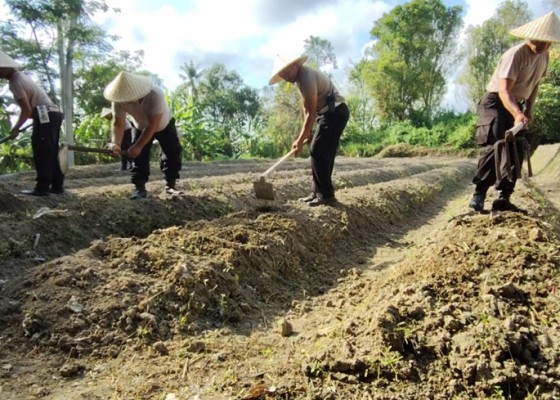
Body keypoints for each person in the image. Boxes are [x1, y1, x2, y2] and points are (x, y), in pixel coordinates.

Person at [469, 12, 560, 213]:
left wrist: (529, 109)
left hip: (515, 105)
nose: (544, 46)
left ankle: (503, 197)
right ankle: (479, 194)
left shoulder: (544, 56)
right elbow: (504, 90)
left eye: (548, 42)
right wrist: (518, 112)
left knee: (516, 149)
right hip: (495, 102)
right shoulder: (516, 55)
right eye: (540, 41)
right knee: (496, 145)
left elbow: (534, 84)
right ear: (531, 36)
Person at [268, 54, 350, 206]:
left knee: (318, 151)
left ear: (295, 65)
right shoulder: (301, 79)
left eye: (286, 71)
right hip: (328, 114)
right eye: (282, 74)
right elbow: (306, 109)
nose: (285, 76)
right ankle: (317, 193)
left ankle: (326, 196)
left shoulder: (306, 77)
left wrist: (299, 140)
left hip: (335, 113)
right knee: (322, 152)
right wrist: (308, 132)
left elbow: (310, 113)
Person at [103, 71, 183, 199]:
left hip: (163, 125)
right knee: (139, 158)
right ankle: (139, 188)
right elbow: (118, 123)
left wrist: (138, 146)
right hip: (139, 126)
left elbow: (153, 125)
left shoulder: (155, 94)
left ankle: (170, 186)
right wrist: (115, 143)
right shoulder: (118, 100)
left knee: (173, 152)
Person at [0, 50, 64, 196]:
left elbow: (26, 109)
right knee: (51, 151)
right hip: (51, 114)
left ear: (4, 68)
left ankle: (42, 188)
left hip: (47, 116)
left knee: (42, 151)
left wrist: (16, 128)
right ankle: (57, 186)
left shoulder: (15, 82)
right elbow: (31, 110)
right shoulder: (21, 77)